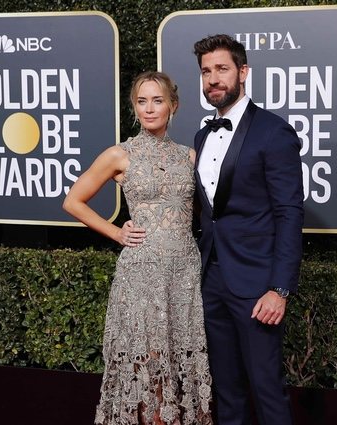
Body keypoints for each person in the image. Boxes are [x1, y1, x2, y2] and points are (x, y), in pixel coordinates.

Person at [63, 71, 213, 425]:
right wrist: (116, 233)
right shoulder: (119, 155)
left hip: (185, 271)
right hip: (141, 271)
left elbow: (205, 214)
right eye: (142, 101)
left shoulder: (189, 157)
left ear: (172, 106)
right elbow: (74, 201)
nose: (149, 109)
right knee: (148, 362)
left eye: (157, 101)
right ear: (134, 107)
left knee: (181, 360)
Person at [193, 34, 304, 425]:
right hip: (212, 278)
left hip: (258, 285)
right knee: (226, 389)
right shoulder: (202, 136)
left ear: (243, 72)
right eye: (206, 72)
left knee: (267, 388)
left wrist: (280, 289)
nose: (213, 80)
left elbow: (289, 213)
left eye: (221, 69)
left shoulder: (274, 133)